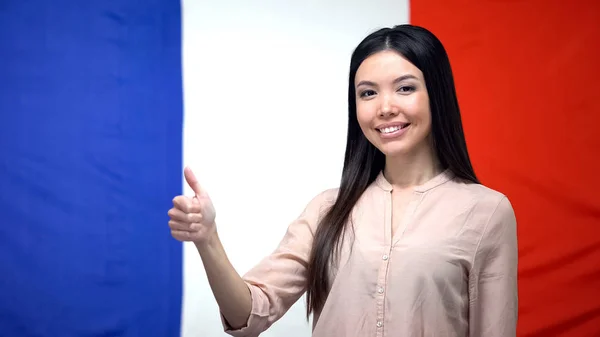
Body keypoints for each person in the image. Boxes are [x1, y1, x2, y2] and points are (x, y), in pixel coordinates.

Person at [168, 24, 518, 337]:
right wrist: (207, 239)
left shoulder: (486, 212)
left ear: (437, 95)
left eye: (405, 88)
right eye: (368, 93)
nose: (384, 107)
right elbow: (249, 315)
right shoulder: (327, 210)